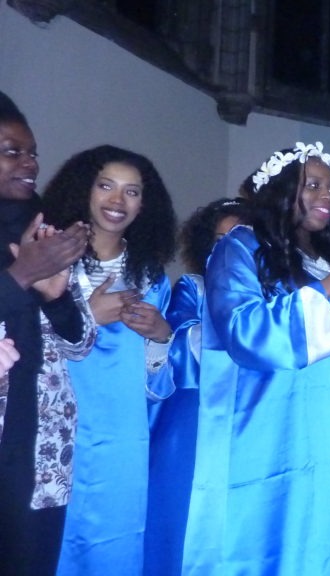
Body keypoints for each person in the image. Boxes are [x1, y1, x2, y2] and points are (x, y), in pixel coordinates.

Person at [182, 143, 330, 574]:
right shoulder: (241, 247)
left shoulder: (325, 260)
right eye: (312, 185)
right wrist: (328, 290)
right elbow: (242, 329)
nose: (327, 196)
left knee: (325, 537)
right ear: (281, 191)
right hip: (272, 426)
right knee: (275, 537)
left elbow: (329, 343)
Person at [41, 145, 177, 575]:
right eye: (106, 186)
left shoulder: (151, 278)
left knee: (115, 542)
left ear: (144, 205)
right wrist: (85, 316)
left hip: (123, 438)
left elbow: (156, 385)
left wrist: (161, 336)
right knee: (51, 543)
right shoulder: (47, 259)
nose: (117, 201)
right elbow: (19, 344)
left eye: (132, 192)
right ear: (84, 190)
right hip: (54, 431)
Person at [0, 90, 95, 576]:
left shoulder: (44, 233)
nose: (29, 163)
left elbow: (81, 345)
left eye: (32, 152)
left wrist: (56, 297)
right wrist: (19, 277)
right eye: (11, 151)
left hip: (42, 443)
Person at [144, 197, 250, 576]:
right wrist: (246, 333)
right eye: (220, 240)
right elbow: (178, 350)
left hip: (249, 419)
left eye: (240, 238)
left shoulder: (271, 297)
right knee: (183, 522)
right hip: (195, 419)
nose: (229, 249)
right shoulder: (194, 287)